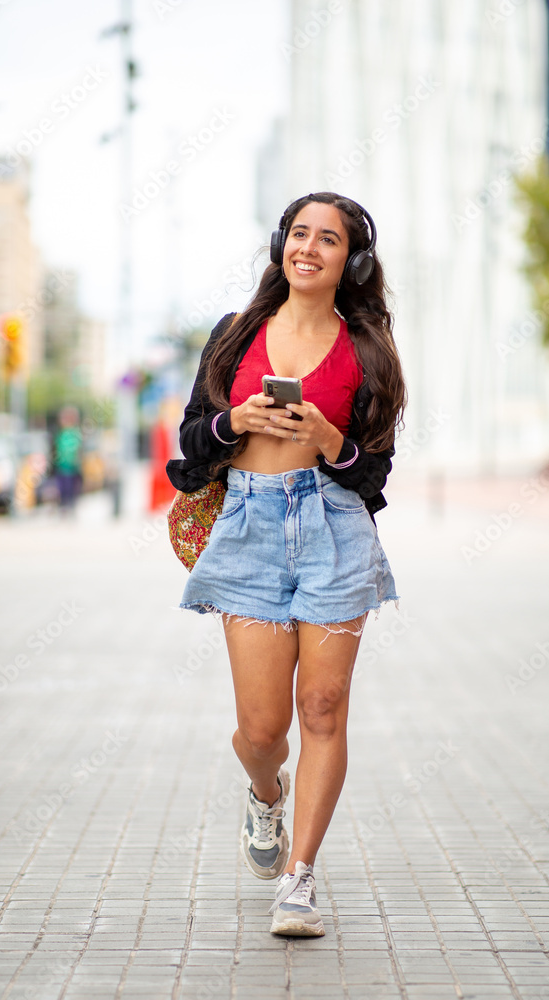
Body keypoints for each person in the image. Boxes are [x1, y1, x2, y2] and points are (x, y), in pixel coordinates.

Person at [167, 192, 406, 936]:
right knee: (263, 728)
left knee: (323, 709)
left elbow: (373, 474)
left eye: (327, 239)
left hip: (333, 529)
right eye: (298, 233)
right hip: (247, 522)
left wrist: (332, 441)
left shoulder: (366, 351)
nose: (308, 247)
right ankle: (264, 792)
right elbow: (190, 445)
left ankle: (299, 881)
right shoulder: (235, 337)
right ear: (280, 245)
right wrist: (232, 420)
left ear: (351, 260)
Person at [53, 406, 83, 514]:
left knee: (70, 489)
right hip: (61, 466)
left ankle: (70, 507)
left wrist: (77, 462)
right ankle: (65, 506)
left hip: (71, 467)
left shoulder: (74, 434)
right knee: (62, 488)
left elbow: (78, 451)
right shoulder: (61, 433)